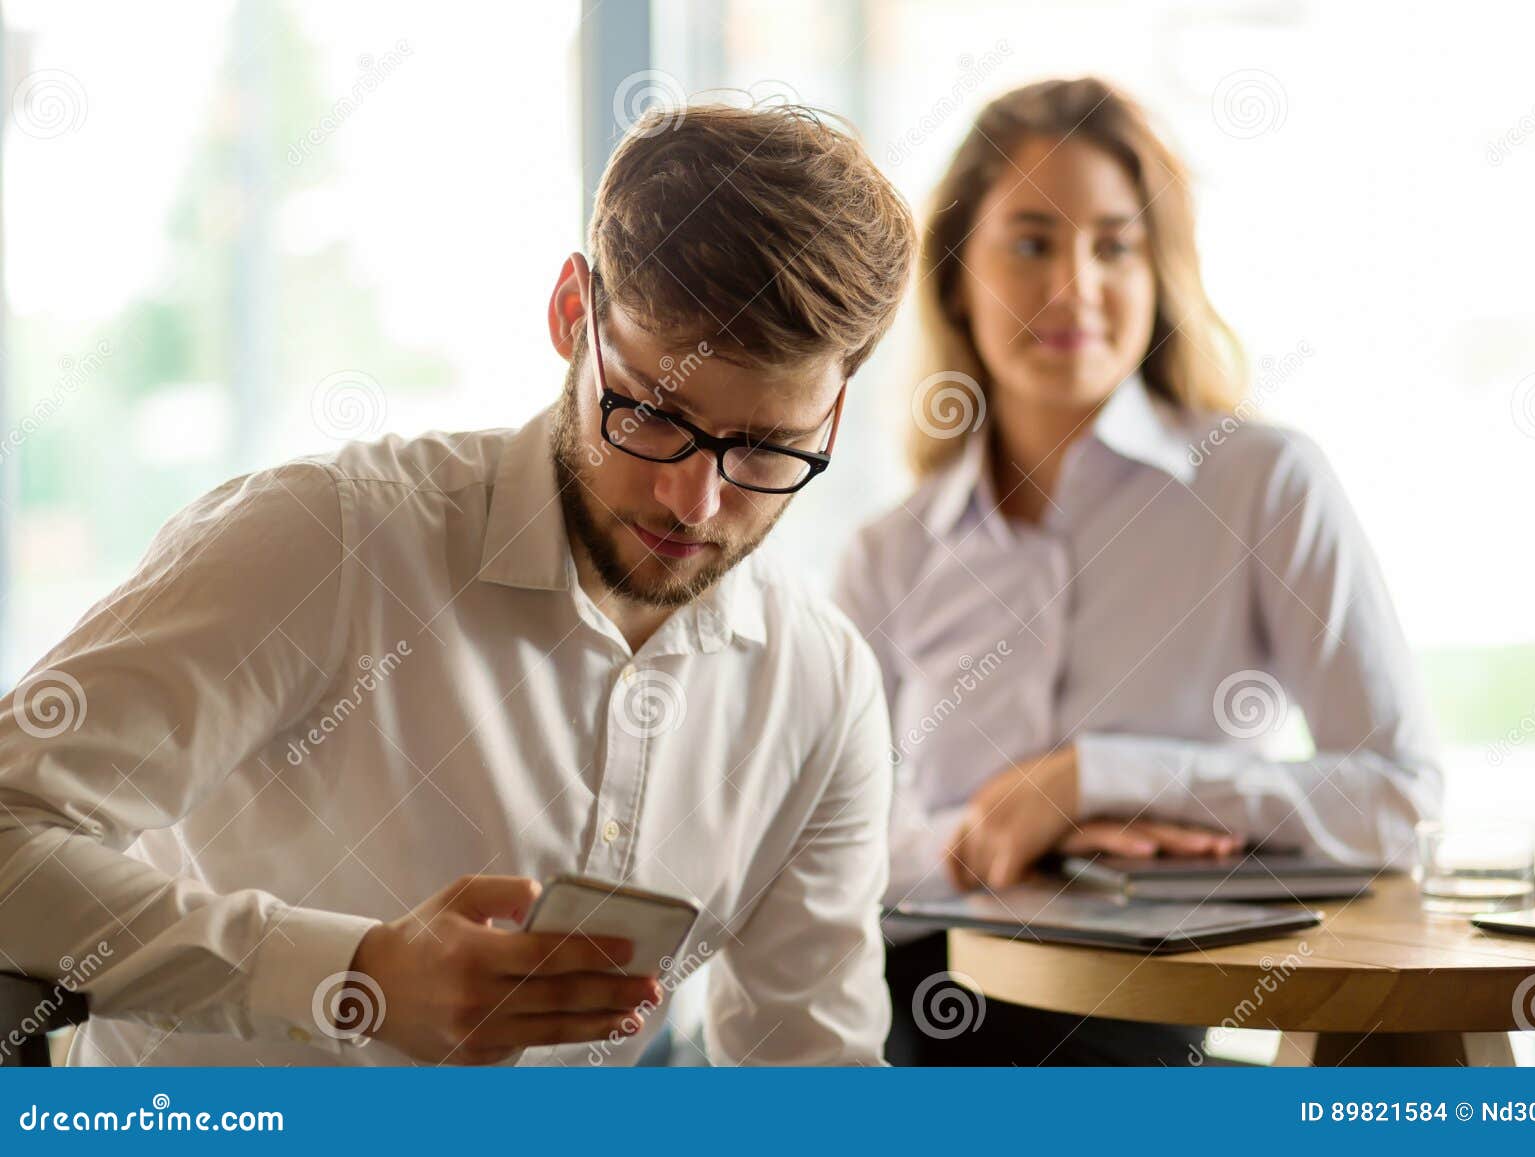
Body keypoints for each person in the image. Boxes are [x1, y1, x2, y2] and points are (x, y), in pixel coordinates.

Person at [0, 102, 916, 1067]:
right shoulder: (325, 542)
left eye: (767, 447)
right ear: (573, 314)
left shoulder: (821, 685)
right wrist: (349, 975)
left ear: (836, 414)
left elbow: (811, 1075)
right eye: (650, 411)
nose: (692, 501)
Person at [835, 78, 1442, 1066]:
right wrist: (995, 828)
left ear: (1157, 270)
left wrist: (1104, 778)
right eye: (1031, 242)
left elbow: (1399, 802)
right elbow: (820, 849)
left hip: (1146, 1022)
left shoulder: (1259, 486)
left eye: (1114, 244)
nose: (1074, 286)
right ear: (954, 276)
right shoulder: (888, 553)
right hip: (915, 1021)